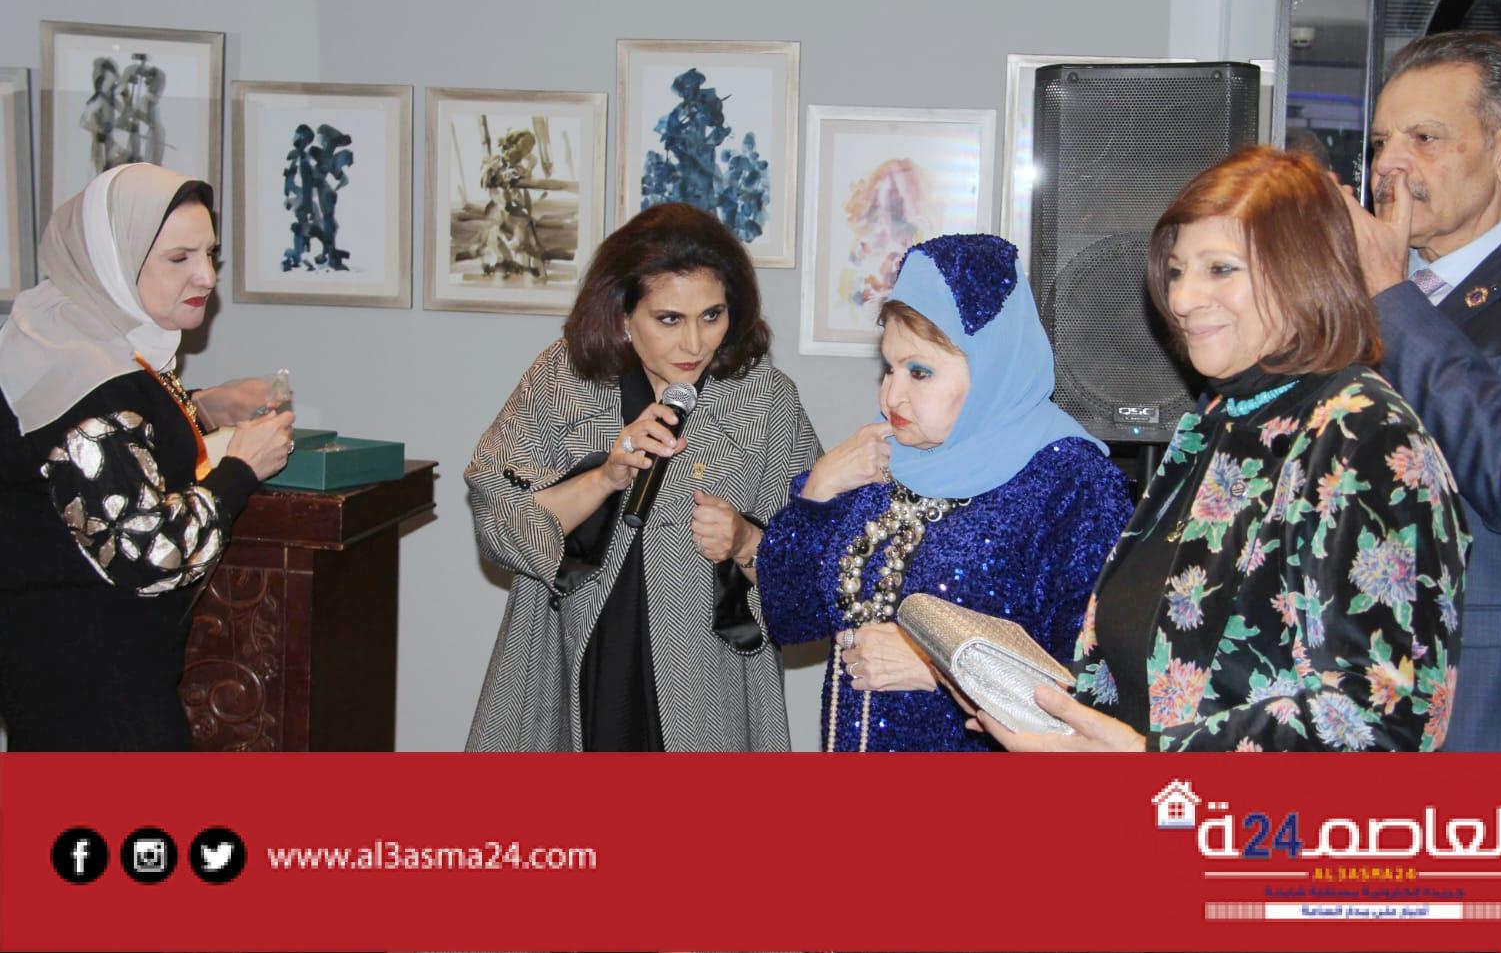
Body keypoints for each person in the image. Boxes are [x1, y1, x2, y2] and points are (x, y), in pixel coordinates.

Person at [973, 146, 1469, 752]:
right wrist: (1050, 707)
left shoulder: (1364, 434)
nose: (1182, 299)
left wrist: (1144, 762)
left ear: (1303, 271)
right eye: (1177, 271)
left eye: (1220, 269)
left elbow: (1383, 719)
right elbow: (1158, 666)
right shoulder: (1216, 420)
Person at [465, 202, 820, 751]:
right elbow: (496, 522)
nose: (695, 344)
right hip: (573, 653)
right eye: (669, 319)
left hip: (708, 674)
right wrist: (605, 477)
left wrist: (746, 541)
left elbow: (816, 567)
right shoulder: (564, 378)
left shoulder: (766, 399)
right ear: (623, 315)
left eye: (712, 316)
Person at [756, 234, 1131, 751]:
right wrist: (818, 493)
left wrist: (945, 671)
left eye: (919, 372)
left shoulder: (1073, 482)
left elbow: (1100, 680)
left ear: (993, 365)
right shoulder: (885, 460)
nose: (891, 396)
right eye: (889, 369)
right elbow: (790, 618)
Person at [1341, 31, 1501, 751]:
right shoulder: (1349, 295)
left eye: (1424, 139)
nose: (1388, 164)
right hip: (1336, 693)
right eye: (1382, 142)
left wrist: (1392, 297)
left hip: (1491, 703)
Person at [0, 163, 296, 751]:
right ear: (112, 259)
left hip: (61, 666)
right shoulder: (87, 380)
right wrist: (241, 469)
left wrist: (202, 407)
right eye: (178, 258)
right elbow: (152, 553)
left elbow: (113, 445)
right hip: (92, 685)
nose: (206, 276)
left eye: (210, 254)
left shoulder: (66, 332)